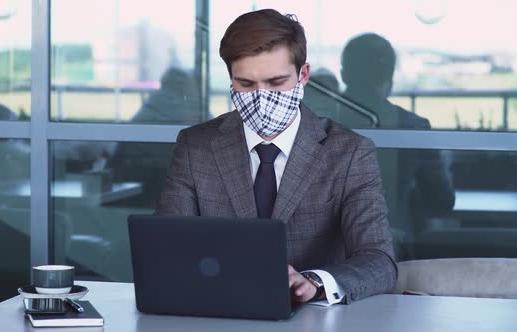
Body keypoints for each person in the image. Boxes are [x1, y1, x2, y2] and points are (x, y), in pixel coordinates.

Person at [156, 9, 397, 305]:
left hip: (312, 318)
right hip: (219, 311)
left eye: (276, 82)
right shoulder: (196, 147)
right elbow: (166, 248)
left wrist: (314, 282)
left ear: (303, 75)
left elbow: (379, 260)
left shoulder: (349, 153)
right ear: (231, 80)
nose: (261, 98)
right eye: (246, 84)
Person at [339, 33, 455, 258]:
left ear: (344, 74)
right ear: (390, 75)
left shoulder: (317, 121)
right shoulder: (413, 127)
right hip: (393, 248)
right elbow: (441, 201)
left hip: (325, 256)